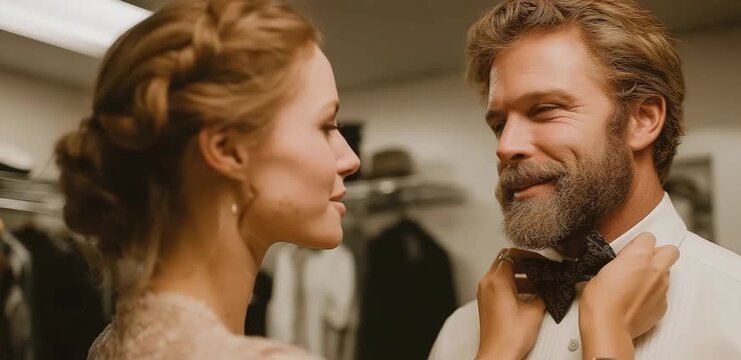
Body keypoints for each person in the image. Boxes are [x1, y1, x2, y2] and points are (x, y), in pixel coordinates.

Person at [54, 0, 677, 358]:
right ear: (226, 151)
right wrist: (607, 340)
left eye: (544, 109)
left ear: (644, 118)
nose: (351, 158)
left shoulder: (115, 342)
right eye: (326, 125)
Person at [429, 0, 741, 359]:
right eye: (499, 124)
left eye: (545, 110)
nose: (505, 147)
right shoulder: (460, 337)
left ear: (643, 119)